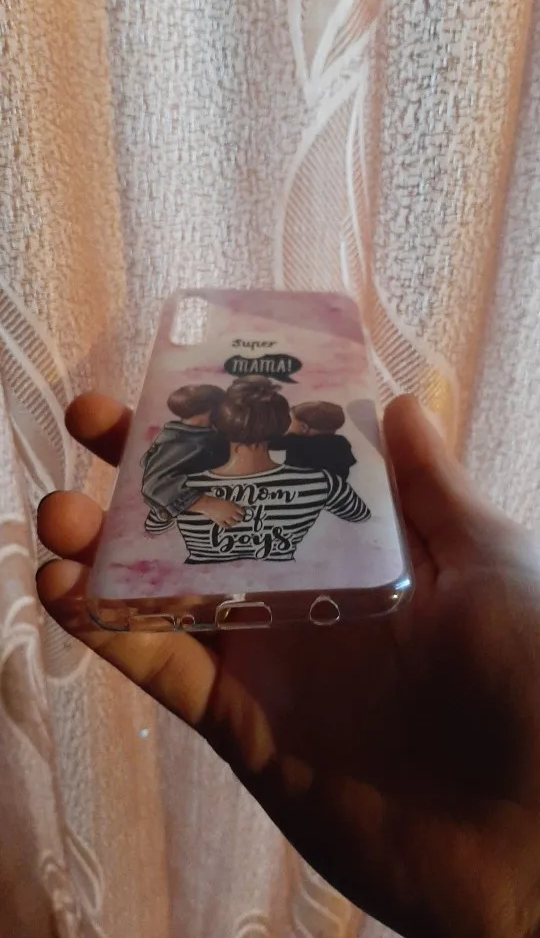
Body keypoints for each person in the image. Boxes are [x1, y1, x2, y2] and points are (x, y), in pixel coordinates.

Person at [37, 393, 540, 938]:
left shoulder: (187, 492)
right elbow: (360, 518)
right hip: (321, 633)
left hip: (207, 607)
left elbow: (153, 528)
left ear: (221, 431)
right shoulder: (318, 485)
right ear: (280, 430)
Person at [175, 377, 370, 564]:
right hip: (290, 581)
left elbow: (157, 526)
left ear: (217, 425)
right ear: (282, 427)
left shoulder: (179, 488)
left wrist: (197, 503)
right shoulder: (324, 483)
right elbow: (361, 516)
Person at [141, 383, 244, 532]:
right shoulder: (182, 443)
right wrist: (208, 504)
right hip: (179, 516)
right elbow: (154, 485)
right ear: (211, 410)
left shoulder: (203, 435)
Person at [270, 400, 357, 479]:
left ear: (304, 428)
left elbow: (271, 443)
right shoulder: (342, 442)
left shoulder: (297, 441)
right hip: (331, 487)